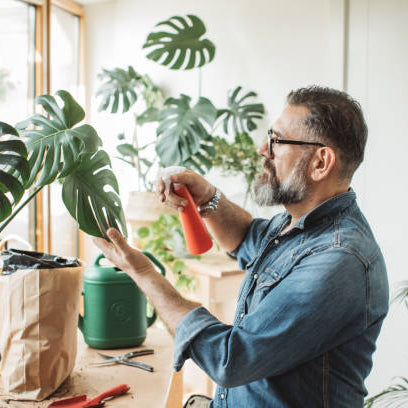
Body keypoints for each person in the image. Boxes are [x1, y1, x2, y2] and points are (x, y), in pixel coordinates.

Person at [94, 85, 389, 408]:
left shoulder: (338, 260)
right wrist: (208, 198)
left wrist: (142, 271)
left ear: (321, 162)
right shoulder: (296, 225)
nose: (264, 149)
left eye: (278, 140)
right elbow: (247, 237)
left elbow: (231, 359)